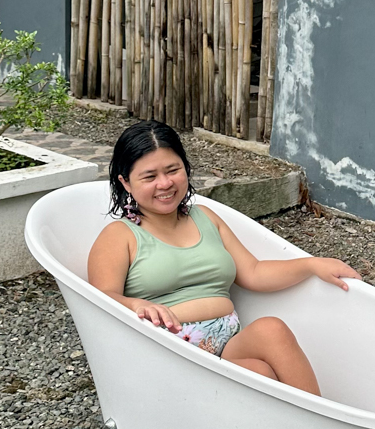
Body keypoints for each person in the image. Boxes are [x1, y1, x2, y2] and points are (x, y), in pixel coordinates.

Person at [87, 121, 358, 395]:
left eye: (173, 170)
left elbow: (253, 272)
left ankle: (320, 419)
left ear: (186, 168)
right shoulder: (120, 235)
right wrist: (135, 304)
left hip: (227, 343)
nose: (165, 183)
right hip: (172, 350)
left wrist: (311, 264)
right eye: (149, 177)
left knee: (271, 330)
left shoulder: (206, 217)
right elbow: (100, 299)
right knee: (260, 374)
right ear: (125, 182)